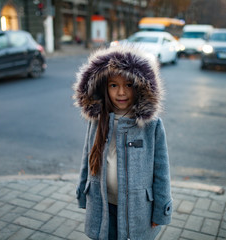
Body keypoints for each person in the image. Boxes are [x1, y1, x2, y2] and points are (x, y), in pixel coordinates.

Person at [73, 46, 172, 240]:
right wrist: (83, 192)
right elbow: (88, 157)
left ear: (140, 86)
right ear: (104, 86)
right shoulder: (98, 118)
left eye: (128, 84)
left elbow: (161, 170)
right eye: (113, 85)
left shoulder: (151, 125)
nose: (121, 92)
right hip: (103, 204)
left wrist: (161, 208)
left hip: (138, 208)